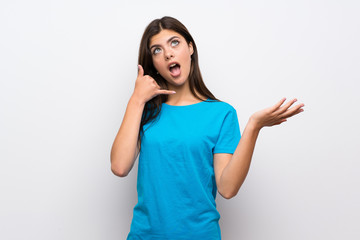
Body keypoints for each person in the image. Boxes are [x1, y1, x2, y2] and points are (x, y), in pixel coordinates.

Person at [110, 16, 304, 240]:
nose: (168, 54)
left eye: (175, 43)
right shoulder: (144, 111)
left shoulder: (221, 114)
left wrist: (253, 126)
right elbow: (119, 166)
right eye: (157, 50)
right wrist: (136, 99)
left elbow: (228, 188)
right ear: (153, 63)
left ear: (190, 48)